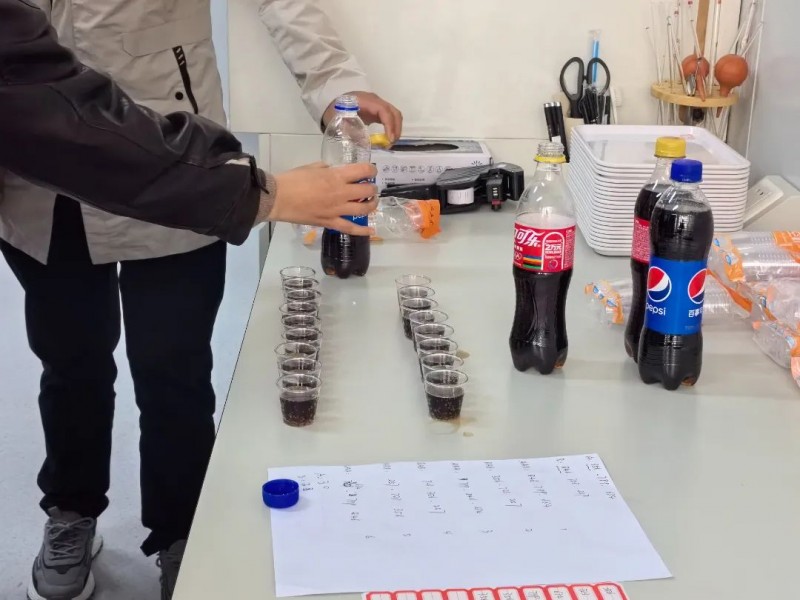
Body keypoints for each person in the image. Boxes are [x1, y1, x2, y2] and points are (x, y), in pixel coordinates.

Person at [0, 2, 400, 600]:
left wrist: (333, 83)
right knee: (69, 361)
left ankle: (181, 529)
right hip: (40, 176)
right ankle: (71, 509)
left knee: (174, 368)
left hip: (172, 156)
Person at [0, 0, 378, 241]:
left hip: (180, 154)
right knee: (66, 339)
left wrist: (334, 83)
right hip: (37, 172)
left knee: (173, 340)